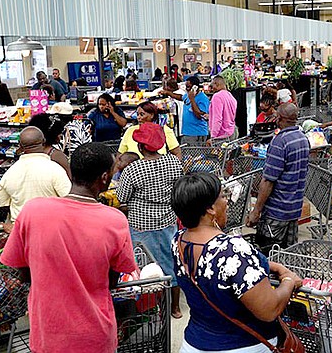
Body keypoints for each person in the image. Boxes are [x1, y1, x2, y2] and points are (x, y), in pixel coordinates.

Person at [1, 143, 138, 353]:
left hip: (47, 332)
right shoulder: (114, 220)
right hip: (95, 333)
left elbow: (22, 272)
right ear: (104, 178)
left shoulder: (32, 211)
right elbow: (113, 277)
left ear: (72, 172)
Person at [170, 172, 303, 353]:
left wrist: (273, 266)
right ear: (210, 209)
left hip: (193, 344)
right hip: (241, 346)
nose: (227, 202)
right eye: (223, 196)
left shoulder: (179, 241)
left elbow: (217, 268)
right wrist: (289, 280)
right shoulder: (232, 249)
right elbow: (269, 309)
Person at [116, 122, 184, 318]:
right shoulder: (173, 162)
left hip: (141, 226)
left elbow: (122, 197)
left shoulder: (133, 169)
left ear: (141, 147)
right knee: (171, 263)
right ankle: (175, 308)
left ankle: (152, 308)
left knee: (145, 268)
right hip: (168, 221)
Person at [246, 104, 310, 252]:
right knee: (288, 254)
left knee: (268, 253)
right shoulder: (302, 138)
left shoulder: (280, 142)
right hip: (294, 208)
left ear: (279, 118)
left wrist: (256, 211)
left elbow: (268, 180)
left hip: (276, 210)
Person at [0, 127, 72, 223]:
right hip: (51, 225)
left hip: (21, 229)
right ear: (44, 142)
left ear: (20, 146)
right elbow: (69, 200)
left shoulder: (9, 174)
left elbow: (2, 205)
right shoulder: (55, 170)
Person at [163, 76, 210, 145]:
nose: (186, 89)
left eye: (188, 87)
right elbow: (180, 97)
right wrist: (168, 93)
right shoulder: (187, 95)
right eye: (186, 87)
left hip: (197, 133)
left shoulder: (202, 98)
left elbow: (199, 115)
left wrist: (192, 99)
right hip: (186, 132)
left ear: (195, 87)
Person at [208, 75, 238, 143]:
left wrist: (213, 137)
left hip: (222, 135)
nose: (211, 89)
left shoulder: (217, 96)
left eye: (212, 86)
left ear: (216, 84)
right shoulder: (230, 96)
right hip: (232, 132)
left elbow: (218, 118)